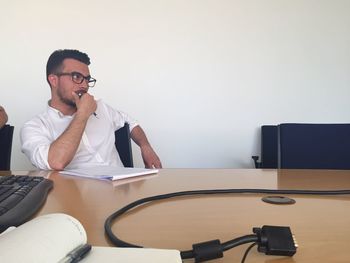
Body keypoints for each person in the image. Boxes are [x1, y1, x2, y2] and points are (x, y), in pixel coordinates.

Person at [21, 49, 162, 170]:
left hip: (120, 190)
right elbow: (55, 162)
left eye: (87, 79)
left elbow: (131, 123)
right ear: (53, 80)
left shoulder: (101, 107)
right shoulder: (35, 126)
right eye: (76, 77)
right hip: (75, 196)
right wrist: (82, 114)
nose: (84, 85)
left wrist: (145, 146)